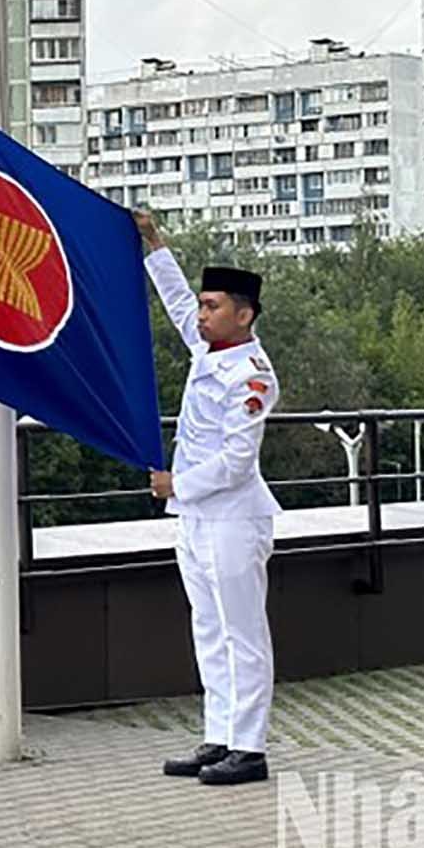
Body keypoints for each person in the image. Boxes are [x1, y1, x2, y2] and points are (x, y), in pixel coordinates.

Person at [134, 210, 281, 787]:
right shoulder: (209, 351)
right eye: (202, 304)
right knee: (208, 629)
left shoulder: (253, 374)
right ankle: (219, 734)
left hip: (232, 517)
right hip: (197, 517)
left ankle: (250, 746)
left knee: (242, 632)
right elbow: (173, 302)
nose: (200, 314)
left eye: (212, 306)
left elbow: (237, 461)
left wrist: (178, 484)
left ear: (243, 315)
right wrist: (154, 246)